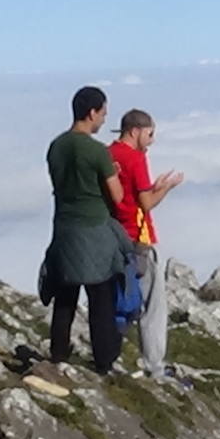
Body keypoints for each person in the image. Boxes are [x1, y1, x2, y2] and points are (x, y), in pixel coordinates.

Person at [41, 86, 133, 375]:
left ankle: (58, 354)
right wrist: (113, 175)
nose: (104, 120)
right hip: (93, 229)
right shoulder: (96, 151)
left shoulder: (56, 146)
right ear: (92, 112)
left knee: (65, 295)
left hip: (64, 229)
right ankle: (104, 361)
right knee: (100, 297)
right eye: (103, 114)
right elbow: (116, 196)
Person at [108, 109, 184, 379]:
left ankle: (107, 356)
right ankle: (154, 365)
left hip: (112, 235)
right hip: (138, 239)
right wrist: (167, 188)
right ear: (135, 131)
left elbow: (129, 194)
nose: (151, 140)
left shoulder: (109, 153)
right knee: (153, 305)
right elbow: (146, 203)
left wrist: (154, 185)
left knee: (116, 299)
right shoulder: (135, 159)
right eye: (150, 134)